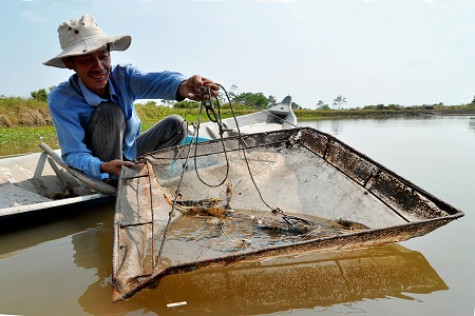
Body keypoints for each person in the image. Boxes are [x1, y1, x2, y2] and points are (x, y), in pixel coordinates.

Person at [43, 14, 218, 182]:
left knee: (177, 125)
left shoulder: (123, 77)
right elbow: (74, 154)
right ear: (70, 63)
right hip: (101, 169)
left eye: (103, 56)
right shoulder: (62, 99)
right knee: (110, 113)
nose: (99, 67)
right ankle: (116, 180)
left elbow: (157, 80)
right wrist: (102, 167)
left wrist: (184, 85)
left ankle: (148, 174)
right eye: (87, 59)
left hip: (131, 155)